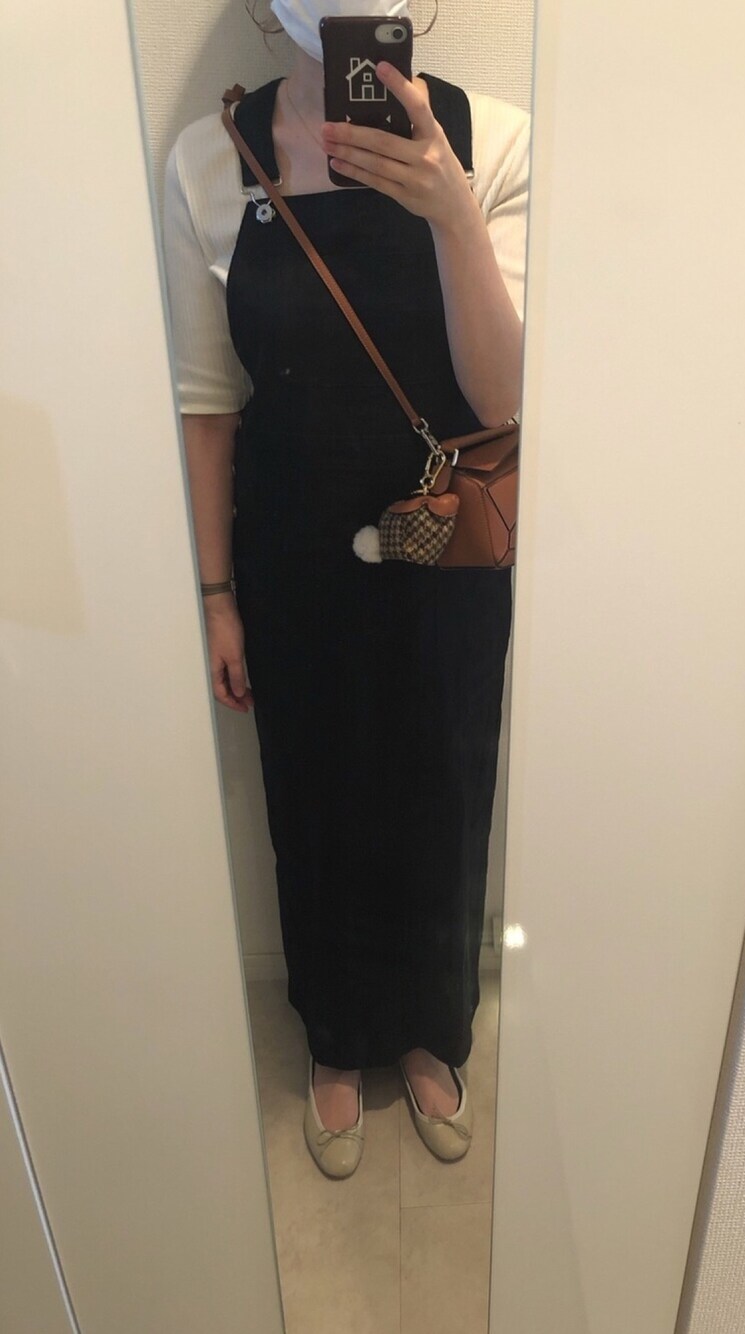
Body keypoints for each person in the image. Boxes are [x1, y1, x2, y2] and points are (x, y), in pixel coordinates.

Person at [162, 0, 529, 1178]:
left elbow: (504, 396)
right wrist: (215, 593)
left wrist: (450, 209)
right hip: (290, 551)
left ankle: (426, 1026)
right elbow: (207, 403)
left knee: (442, 785)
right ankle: (336, 1032)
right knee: (312, 791)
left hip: (446, 545)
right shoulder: (213, 156)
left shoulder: (494, 138)